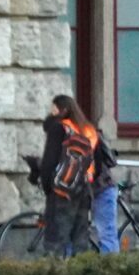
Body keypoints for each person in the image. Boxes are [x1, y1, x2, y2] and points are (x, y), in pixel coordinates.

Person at [40, 94, 98, 258]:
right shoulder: (88, 130)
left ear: (62, 110)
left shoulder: (60, 127)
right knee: (80, 240)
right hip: (85, 188)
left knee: (56, 240)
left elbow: (49, 161)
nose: (51, 112)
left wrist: (47, 186)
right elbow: (96, 162)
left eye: (53, 108)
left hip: (62, 190)